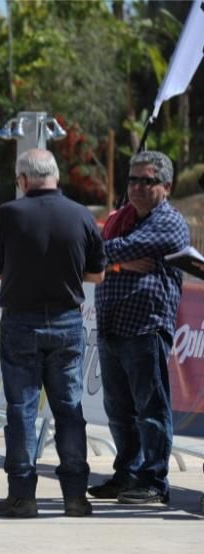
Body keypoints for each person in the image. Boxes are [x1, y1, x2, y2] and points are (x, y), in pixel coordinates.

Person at [0, 148, 105, 518]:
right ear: (56, 176)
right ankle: (75, 495)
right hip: (68, 324)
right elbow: (97, 274)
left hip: (21, 322)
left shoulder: (7, 214)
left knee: (21, 410)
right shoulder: (81, 215)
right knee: (68, 409)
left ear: (22, 180)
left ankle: (22, 494)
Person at [88, 150, 190, 505]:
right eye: (132, 180)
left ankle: (153, 480)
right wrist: (120, 262)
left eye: (146, 181)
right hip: (112, 325)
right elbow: (98, 251)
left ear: (166, 185)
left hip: (145, 327)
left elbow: (107, 249)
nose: (136, 188)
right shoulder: (122, 219)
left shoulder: (169, 222)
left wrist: (110, 254)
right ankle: (126, 474)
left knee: (151, 409)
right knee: (119, 409)